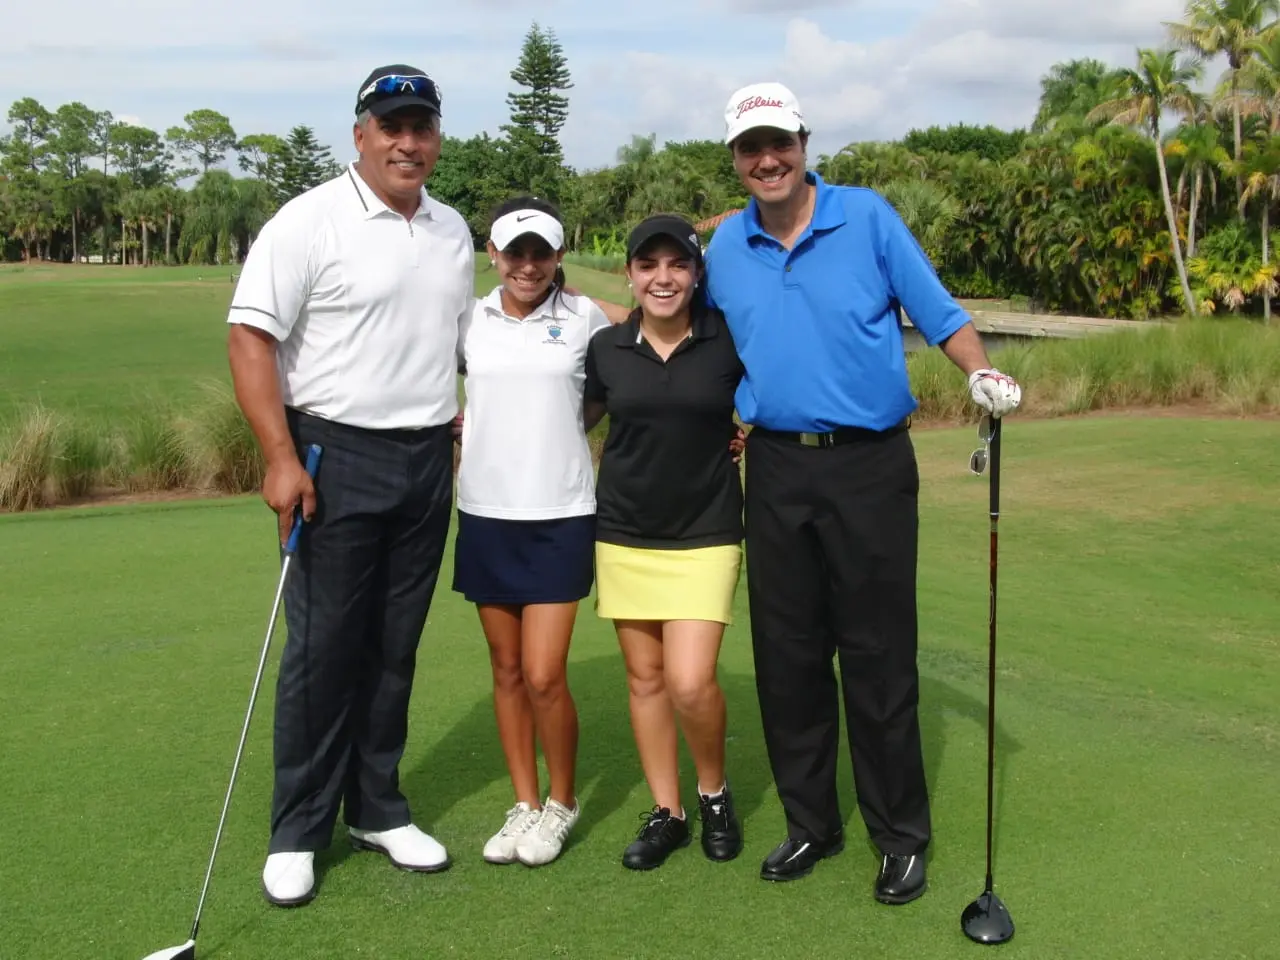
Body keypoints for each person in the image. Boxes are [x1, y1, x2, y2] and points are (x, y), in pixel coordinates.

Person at [592, 84, 1022, 902]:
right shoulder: (725, 249)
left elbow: (938, 314)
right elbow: (668, 318)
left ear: (803, 142)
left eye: (779, 143)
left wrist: (980, 371)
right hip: (776, 467)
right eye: (751, 147)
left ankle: (899, 836)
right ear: (735, 158)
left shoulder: (867, 218)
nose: (768, 160)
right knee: (788, 657)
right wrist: (560, 305)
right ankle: (811, 824)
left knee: (877, 654)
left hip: (870, 465)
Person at [226, 64, 473, 907]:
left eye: (422, 127)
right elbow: (251, 338)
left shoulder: (450, 229)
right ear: (360, 134)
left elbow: (460, 340)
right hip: (333, 454)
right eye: (392, 127)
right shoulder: (309, 220)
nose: (408, 142)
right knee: (323, 648)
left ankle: (376, 808)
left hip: (426, 457)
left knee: (394, 646)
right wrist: (279, 456)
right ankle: (298, 830)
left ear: (436, 137)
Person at [583, 214, 747, 871]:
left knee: (690, 680)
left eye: (677, 264)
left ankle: (713, 793)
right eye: (648, 265)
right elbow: (570, 418)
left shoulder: (727, 339)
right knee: (646, 679)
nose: (663, 277)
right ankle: (667, 811)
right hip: (625, 532)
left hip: (706, 531)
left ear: (697, 274)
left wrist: (751, 432)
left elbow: (772, 395)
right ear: (630, 274)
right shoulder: (607, 348)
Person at [452, 196, 611, 867]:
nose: (527, 265)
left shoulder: (584, 316)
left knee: (545, 674)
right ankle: (523, 801)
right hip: (487, 511)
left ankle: (561, 803)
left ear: (558, 256)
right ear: (493, 254)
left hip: (560, 512)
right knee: (508, 669)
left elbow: (622, 370)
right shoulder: (469, 320)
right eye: (514, 252)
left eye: (540, 252)